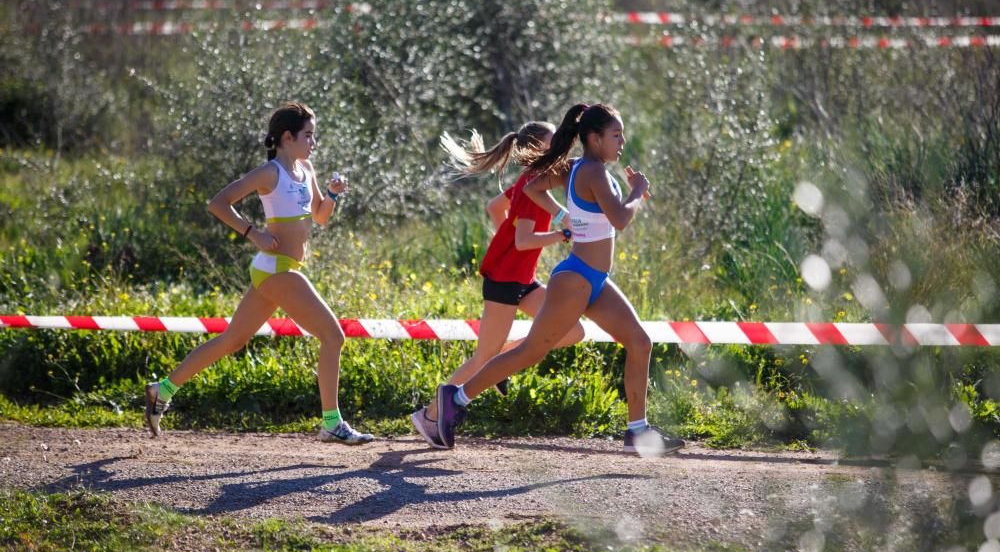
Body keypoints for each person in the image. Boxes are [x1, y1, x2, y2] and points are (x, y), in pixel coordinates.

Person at [430, 103, 685, 455]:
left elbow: (534, 187)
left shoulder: (575, 168)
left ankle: (637, 432)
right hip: (575, 279)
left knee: (639, 343)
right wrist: (637, 192)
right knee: (532, 350)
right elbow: (621, 219)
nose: (622, 142)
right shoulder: (592, 171)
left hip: (594, 279)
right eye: (616, 134)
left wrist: (566, 216)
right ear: (594, 139)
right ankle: (455, 399)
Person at [143, 101, 373, 445]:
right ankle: (331, 422)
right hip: (278, 271)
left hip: (276, 271)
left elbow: (320, 217)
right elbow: (218, 203)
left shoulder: (306, 169)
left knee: (233, 340)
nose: (314, 142)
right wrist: (254, 234)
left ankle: (162, 389)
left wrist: (332, 194)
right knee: (333, 336)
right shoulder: (270, 173)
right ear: (287, 137)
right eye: (308, 135)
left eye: (314, 136)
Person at [410, 123, 585, 448]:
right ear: (536, 150)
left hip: (523, 280)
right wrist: (561, 235)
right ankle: (430, 415)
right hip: (504, 282)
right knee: (482, 359)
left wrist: (505, 239)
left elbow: (495, 208)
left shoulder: (531, 183)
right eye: (553, 143)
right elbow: (523, 241)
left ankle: (501, 360)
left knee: (573, 331)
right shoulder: (533, 189)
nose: (560, 149)